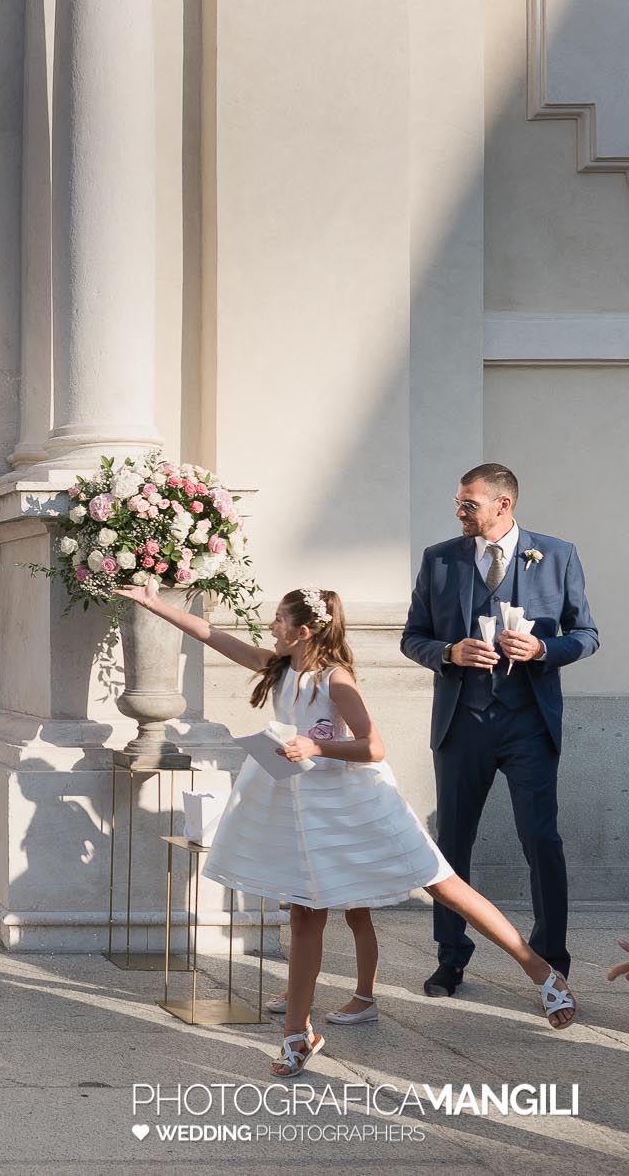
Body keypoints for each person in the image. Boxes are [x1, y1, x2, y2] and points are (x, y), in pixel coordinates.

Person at [119, 582, 577, 1078]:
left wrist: (316, 748)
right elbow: (213, 636)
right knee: (303, 915)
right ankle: (298, 1033)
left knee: (442, 883)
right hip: (298, 804)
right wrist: (155, 604)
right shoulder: (279, 667)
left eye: (278, 619)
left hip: (354, 802)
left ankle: (539, 969)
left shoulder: (336, 680)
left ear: (305, 630)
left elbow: (373, 747)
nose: (270, 627)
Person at [402, 462, 598, 998]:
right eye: (459, 502)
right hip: (462, 725)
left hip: (529, 725)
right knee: (452, 846)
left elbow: (586, 635)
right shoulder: (439, 560)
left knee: (541, 839)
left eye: (469, 502)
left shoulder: (557, 555)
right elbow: (411, 637)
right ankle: (450, 957)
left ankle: (552, 960)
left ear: (502, 505)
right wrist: (448, 651)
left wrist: (542, 649)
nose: (459, 510)